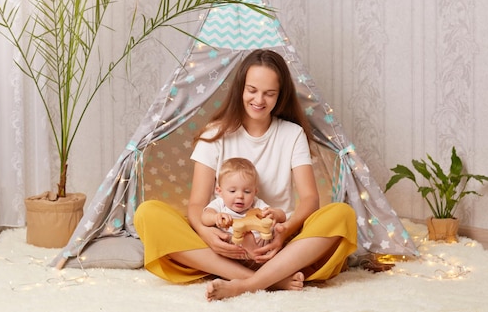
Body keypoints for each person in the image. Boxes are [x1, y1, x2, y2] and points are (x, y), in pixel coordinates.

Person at [134, 49, 358, 301]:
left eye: (269, 93)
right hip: (223, 250)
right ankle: (271, 280)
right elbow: (196, 204)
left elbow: (309, 200)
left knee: (342, 214)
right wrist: (207, 233)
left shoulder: (291, 134)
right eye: (252, 90)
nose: (259, 100)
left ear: (280, 95)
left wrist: (284, 231)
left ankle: (246, 284)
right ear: (240, 88)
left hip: (278, 248)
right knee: (148, 213)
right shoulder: (214, 134)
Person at [202, 157, 286, 257]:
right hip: (233, 246)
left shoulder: (256, 204)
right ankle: (253, 252)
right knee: (225, 238)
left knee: (274, 230)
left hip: (260, 244)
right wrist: (215, 217)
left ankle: (283, 269)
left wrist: (275, 214)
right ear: (220, 191)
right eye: (232, 191)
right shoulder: (220, 203)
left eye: (247, 192)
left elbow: (282, 216)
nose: (240, 196)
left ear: (255, 192)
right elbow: (204, 217)